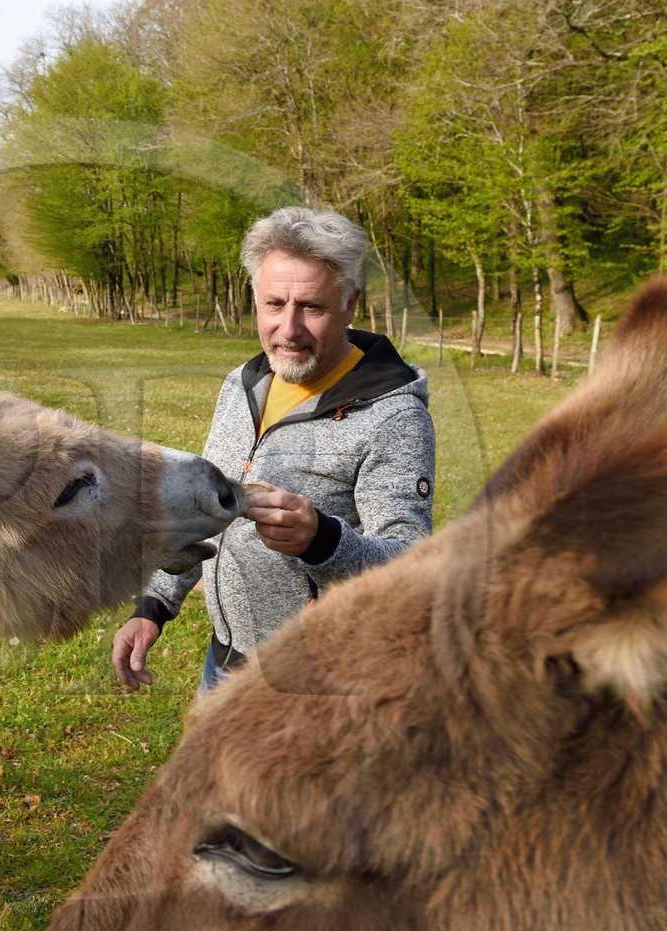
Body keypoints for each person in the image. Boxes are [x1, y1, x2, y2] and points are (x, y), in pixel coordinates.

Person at [112, 206, 436, 691]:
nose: (288, 329)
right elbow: (208, 507)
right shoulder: (243, 384)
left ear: (350, 304)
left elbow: (409, 573)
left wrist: (322, 540)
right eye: (274, 304)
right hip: (226, 663)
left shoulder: (393, 417)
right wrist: (154, 606)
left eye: (312, 307)